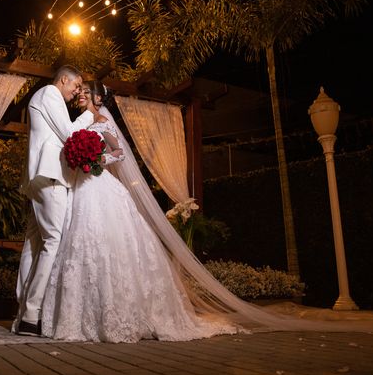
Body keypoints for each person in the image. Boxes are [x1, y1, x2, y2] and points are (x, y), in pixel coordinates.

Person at [41, 81, 243, 342]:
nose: (79, 95)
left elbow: (119, 152)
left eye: (84, 92)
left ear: (98, 98)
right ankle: (75, 316)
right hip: (79, 189)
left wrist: (98, 159)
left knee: (109, 244)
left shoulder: (103, 121)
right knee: (78, 245)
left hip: (100, 186)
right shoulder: (77, 123)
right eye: (78, 93)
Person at [14, 65, 95, 336]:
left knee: (33, 244)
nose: (76, 92)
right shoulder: (50, 93)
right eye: (76, 85)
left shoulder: (47, 96)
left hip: (40, 177)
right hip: (49, 177)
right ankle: (31, 315)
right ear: (64, 80)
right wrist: (89, 116)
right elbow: (69, 134)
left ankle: (21, 313)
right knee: (52, 242)